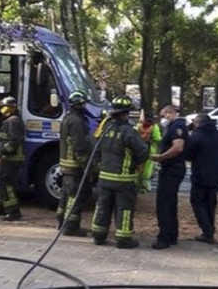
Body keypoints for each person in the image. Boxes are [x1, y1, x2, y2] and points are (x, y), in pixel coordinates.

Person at [90, 95, 149, 249]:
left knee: (102, 207)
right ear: (125, 113)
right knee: (124, 209)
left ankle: (98, 236)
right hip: (123, 180)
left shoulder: (104, 128)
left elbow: (94, 150)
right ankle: (123, 239)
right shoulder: (129, 131)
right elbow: (142, 152)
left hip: (104, 178)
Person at [150, 105, 188, 250]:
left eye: (163, 115)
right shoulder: (176, 126)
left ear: (169, 113)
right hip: (173, 168)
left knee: (164, 203)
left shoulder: (177, 128)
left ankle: (164, 238)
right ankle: (172, 235)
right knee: (170, 203)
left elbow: (178, 147)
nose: (163, 119)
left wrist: (161, 157)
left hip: (172, 169)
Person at [185, 113, 218, 244]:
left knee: (197, 202)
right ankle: (210, 230)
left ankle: (207, 231)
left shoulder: (196, 137)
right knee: (210, 203)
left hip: (201, 175)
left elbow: (188, 155)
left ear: (197, 123)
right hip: (217, 175)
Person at [56, 91, 93, 236]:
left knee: (65, 196)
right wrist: (86, 165)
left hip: (66, 166)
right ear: (78, 105)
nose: (85, 106)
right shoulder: (77, 122)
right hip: (75, 166)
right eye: (83, 104)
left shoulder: (67, 118)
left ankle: (61, 221)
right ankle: (71, 227)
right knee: (75, 197)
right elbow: (79, 146)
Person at [0, 96, 26, 221]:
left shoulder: (12, 121)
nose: (2, 110)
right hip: (10, 158)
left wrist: (0, 152)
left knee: (4, 183)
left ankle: (13, 211)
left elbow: (14, 141)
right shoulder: (13, 120)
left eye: (3, 108)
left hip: (12, 158)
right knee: (3, 183)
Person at [135, 111, 162, 194]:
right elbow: (158, 138)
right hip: (147, 151)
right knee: (145, 171)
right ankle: (143, 187)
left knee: (142, 171)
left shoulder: (139, 126)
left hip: (142, 151)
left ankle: (140, 187)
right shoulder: (154, 127)